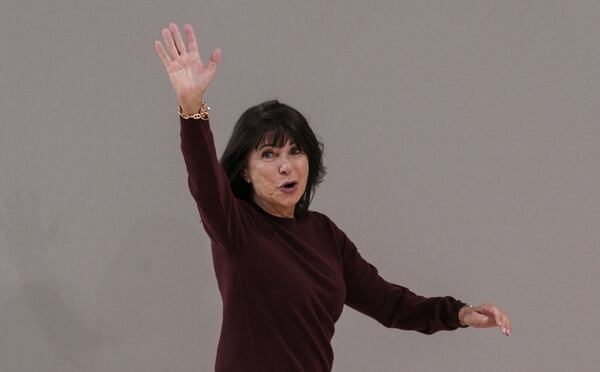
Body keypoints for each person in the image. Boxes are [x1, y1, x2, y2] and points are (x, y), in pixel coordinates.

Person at [154, 22, 512, 372]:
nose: (285, 167)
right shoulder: (234, 228)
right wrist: (191, 108)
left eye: (295, 151)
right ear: (245, 171)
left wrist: (459, 314)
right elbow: (204, 179)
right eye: (268, 155)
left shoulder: (324, 234)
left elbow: (388, 303)